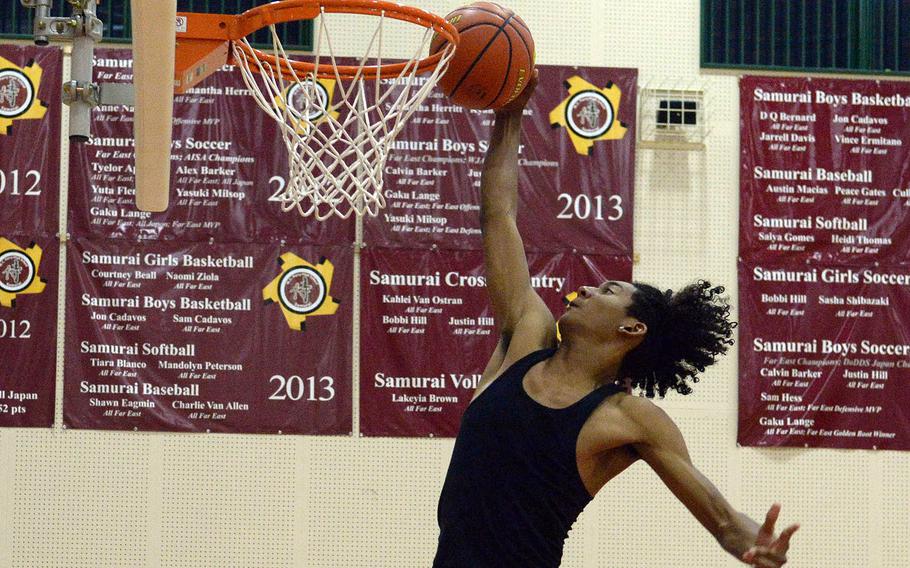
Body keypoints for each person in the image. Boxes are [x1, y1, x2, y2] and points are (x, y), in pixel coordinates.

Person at [432, 71, 799, 568]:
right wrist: (509, 115)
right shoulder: (527, 333)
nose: (585, 289)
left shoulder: (628, 417)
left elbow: (721, 515)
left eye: (607, 290)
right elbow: (497, 214)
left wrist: (756, 545)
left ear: (632, 328)